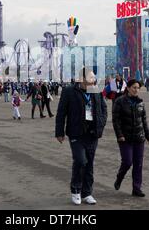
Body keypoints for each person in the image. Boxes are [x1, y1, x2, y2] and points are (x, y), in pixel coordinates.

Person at [55, 67, 108, 205]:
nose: (94, 80)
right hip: (76, 133)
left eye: (94, 77)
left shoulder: (95, 90)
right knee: (80, 161)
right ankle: (76, 190)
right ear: (82, 79)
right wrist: (59, 132)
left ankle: (87, 193)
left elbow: (103, 109)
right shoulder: (69, 91)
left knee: (89, 163)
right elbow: (61, 112)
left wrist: (101, 124)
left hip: (92, 133)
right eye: (91, 77)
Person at [112, 79, 149, 197]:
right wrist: (119, 135)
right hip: (125, 138)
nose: (136, 90)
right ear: (128, 88)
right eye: (134, 87)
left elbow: (143, 120)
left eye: (138, 88)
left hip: (139, 138)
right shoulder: (120, 102)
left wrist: (148, 135)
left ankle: (136, 188)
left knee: (138, 164)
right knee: (127, 162)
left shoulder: (141, 103)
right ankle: (119, 177)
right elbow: (116, 120)